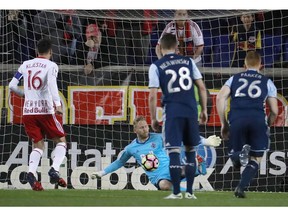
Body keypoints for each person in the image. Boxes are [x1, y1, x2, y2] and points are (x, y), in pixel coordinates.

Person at [149, 33, 208, 199]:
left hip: (173, 111)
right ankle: (190, 192)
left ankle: (175, 193)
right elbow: (202, 88)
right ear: (177, 47)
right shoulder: (189, 61)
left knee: (174, 152)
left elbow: (152, 95)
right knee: (190, 151)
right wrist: (203, 110)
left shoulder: (156, 66)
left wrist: (154, 118)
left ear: (160, 47)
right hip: (191, 110)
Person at [91, 116, 221, 191]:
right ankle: (193, 176)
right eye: (141, 127)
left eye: (146, 126)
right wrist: (102, 173)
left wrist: (205, 142)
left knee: (180, 172)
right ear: (135, 130)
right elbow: (119, 162)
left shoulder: (158, 137)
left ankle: (196, 169)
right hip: (157, 177)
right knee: (164, 185)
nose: (145, 129)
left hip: (171, 168)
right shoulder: (131, 148)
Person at [216, 51, 278, 198]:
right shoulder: (267, 82)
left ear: (244, 65)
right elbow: (275, 111)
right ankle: (240, 188)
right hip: (257, 120)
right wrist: (268, 124)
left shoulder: (233, 79)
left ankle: (236, 156)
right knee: (256, 158)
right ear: (261, 65)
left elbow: (219, 98)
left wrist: (224, 124)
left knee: (235, 153)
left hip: (237, 119)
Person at [8, 38, 68, 191]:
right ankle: (54, 169)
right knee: (61, 141)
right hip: (45, 111)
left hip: (28, 112)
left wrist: (24, 94)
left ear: (36, 51)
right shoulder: (51, 65)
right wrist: (58, 105)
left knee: (38, 145)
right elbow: (52, 85)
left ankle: (31, 173)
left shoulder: (25, 64)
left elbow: (12, 85)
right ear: (51, 52)